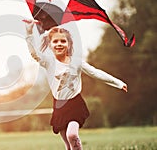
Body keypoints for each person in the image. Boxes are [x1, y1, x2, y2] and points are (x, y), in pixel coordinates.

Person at [24, 19, 127, 150]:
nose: (59, 44)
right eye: (55, 41)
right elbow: (34, 53)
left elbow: (95, 73)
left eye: (63, 41)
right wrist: (28, 32)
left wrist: (117, 82)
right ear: (50, 45)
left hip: (75, 104)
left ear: (69, 44)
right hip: (59, 105)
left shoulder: (76, 62)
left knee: (72, 135)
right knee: (68, 145)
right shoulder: (48, 62)